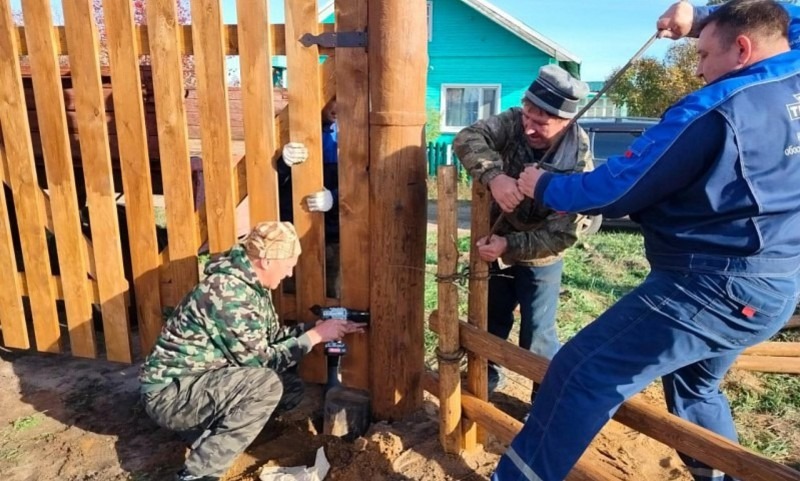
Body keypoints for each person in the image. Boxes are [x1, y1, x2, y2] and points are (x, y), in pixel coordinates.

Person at [493, 2, 800, 480]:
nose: (697, 68)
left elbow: (618, 188)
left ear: (741, 49)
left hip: (711, 285)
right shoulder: (792, 69)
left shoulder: (715, 108)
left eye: (702, 55)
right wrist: (699, 16)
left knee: (580, 372)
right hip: (775, 279)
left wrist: (545, 185)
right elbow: (784, 16)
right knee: (696, 389)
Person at [139, 221, 366, 481]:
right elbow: (263, 363)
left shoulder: (252, 285)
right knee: (267, 385)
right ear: (267, 261)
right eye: (289, 264)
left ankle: (207, 433)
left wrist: (316, 327)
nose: (291, 273)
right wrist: (315, 336)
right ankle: (198, 474)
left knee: (290, 388)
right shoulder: (228, 293)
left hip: (197, 382)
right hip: (169, 396)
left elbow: (270, 339)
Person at [453, 64, 592, 398]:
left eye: (540, 123)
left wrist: (508, 245)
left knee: (538, 332)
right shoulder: (514, 121)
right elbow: (466, 138)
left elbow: (562, 235)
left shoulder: (578, 162)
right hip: (496, 242)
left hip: (542, 254)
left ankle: (542, 397)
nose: (528, 128)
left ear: (566, 121)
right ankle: (485, 376)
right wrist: (495, 176)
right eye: (527, 117)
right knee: (491, 318)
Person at [278, 98, 341, 298]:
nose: (337, 106)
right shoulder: (288, 129)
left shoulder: (356, 135)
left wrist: (335, 198)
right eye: (333, 99)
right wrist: (282, 162)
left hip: (336, 236)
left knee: (332, 296)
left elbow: (365, 181)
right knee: (289, 295)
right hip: (293, 232)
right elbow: (266, 181)